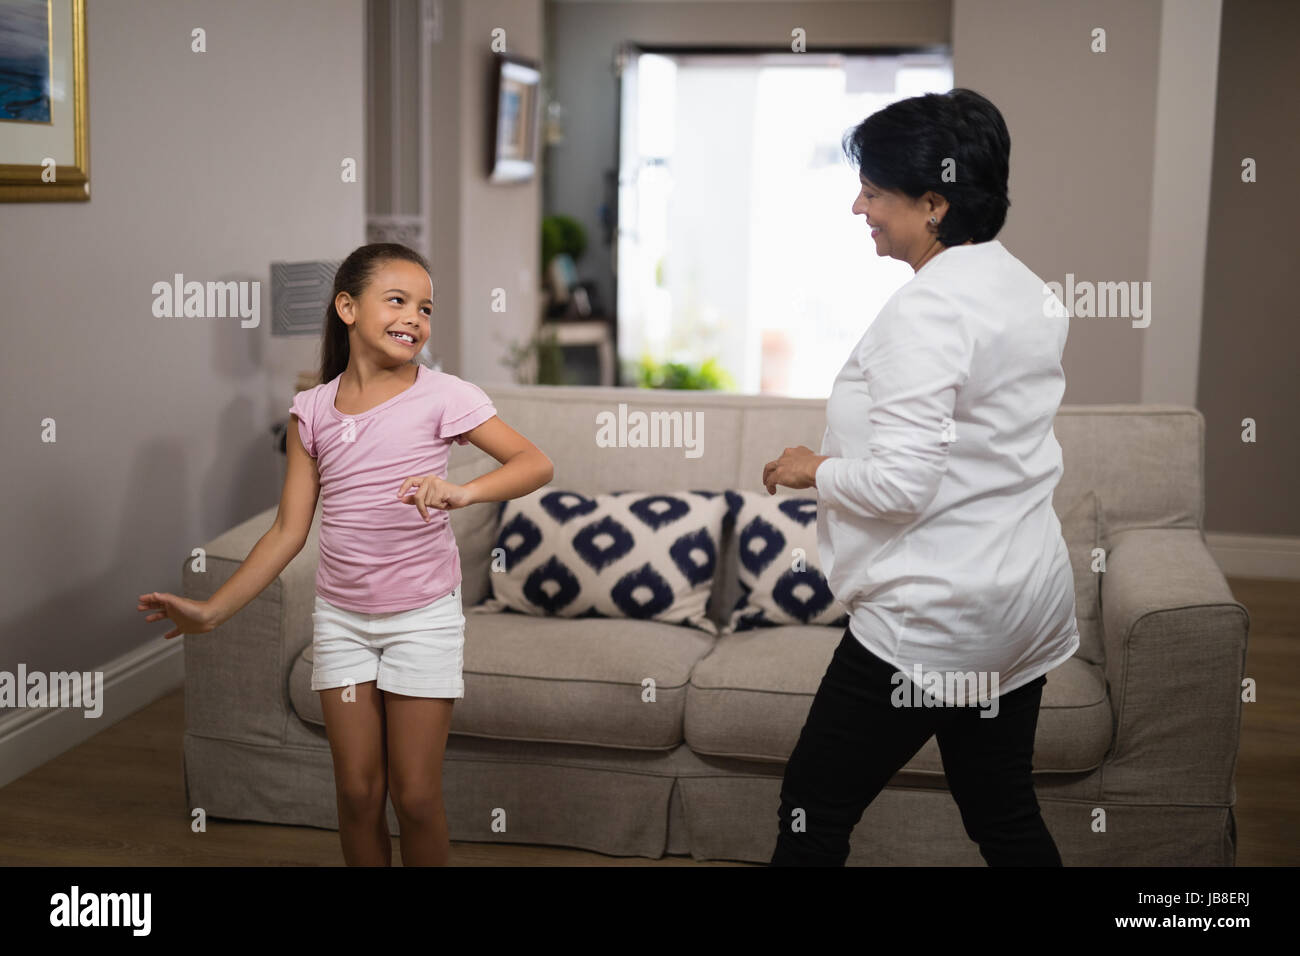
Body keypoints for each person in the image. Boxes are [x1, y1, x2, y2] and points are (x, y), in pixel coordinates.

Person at [137, 243, 553, 866]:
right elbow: (287, 532)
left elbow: (534, 463)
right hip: (343, 623)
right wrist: (211, 613)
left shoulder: (443, 396)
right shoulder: (311, 412)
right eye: (397, 300)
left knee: (414, 796)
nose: (415, 317)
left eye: (426, 307)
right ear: (347, 307)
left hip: (422, 619)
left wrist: (462, 491)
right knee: (358, 793)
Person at [761, 89, 1077, 866]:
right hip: (1021, 600)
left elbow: (904, 485)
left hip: (934, 621)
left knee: (813, 807)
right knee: (1001, 810)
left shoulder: (928, 312)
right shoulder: (1025, 289)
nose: (858, 206)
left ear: (933, 203)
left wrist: (815, 468)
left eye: (873, 191)